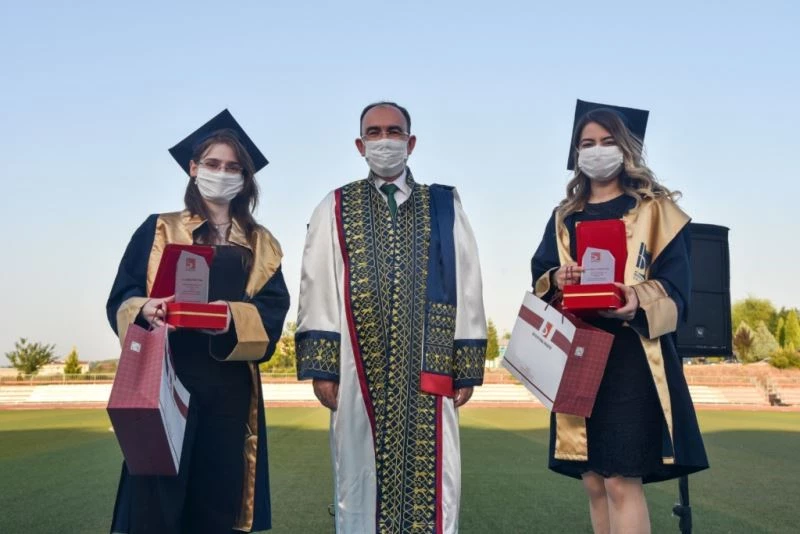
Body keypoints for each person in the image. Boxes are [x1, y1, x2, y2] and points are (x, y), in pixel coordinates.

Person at [295, 101, 487, 533]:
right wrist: (322, 368)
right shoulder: (336, 205)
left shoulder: (443, 206)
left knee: (434, 476)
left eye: (394, 131)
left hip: (429, 367)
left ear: (411, 142)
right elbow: (317, 283)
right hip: (357, 366)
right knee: (358, 474)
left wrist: (466, 364)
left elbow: (467, 280)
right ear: (360, 144)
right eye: (375, 132)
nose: (385, 140)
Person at [106, 109, 290, 533]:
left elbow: (273, 313)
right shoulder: (159, 229)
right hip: (166, 380)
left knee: (218, 499)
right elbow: (121, 296)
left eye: (232, 167)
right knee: (156, 500)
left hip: (229, 389)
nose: (221, 173)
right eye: (212, 163)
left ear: (245, 177)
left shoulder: (261, 243)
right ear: (193, 168)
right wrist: (144, 309)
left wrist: (229, 317)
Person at [530, 101, 709, 534]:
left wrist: (635, 299)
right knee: (593, 480)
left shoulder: (656, 211)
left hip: (632, 355)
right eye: (587, 143)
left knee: (620, 479)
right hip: (578, 352)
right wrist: (558, 277)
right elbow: (541, 278)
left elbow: (677, 288)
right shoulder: (565, 217)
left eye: (607, 141)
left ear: (626, 148)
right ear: (577, 153)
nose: (597, 150)